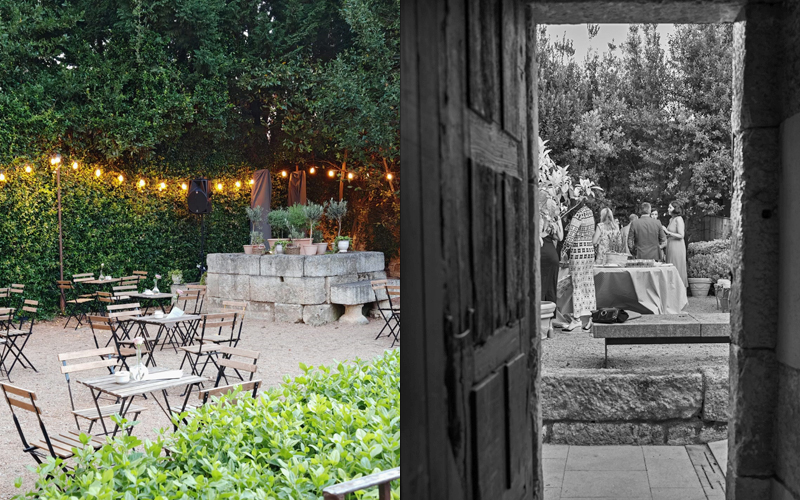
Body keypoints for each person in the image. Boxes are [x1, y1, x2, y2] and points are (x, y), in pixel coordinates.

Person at [561, 194, 596, 332]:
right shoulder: (590, 213)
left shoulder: (579, 215)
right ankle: (592, 317)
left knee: (577, 285)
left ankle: (576, 319)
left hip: (578, 252)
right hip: (589, 251)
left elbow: (570, 237)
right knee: (589, 284)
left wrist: (563, 251)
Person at [540, 195, 563, 303]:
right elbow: (560, 237)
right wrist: (558, 221)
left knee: (539, 286)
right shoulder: (553, 218)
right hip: (552, 256)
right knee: (551, 287)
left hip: (540, 254)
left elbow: (540, 234)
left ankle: (539, 316)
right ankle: (549, 318)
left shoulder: (541, 216)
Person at [664, 201, 688, 287]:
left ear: (675, 209)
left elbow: (681, 235)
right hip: (670, 245)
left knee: (676, 266)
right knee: (670, 266)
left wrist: (667, 232)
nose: (668, 209)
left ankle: (680, 290)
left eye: (670, 207)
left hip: (677, 246)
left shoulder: (679, 219)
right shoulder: (671, 219)